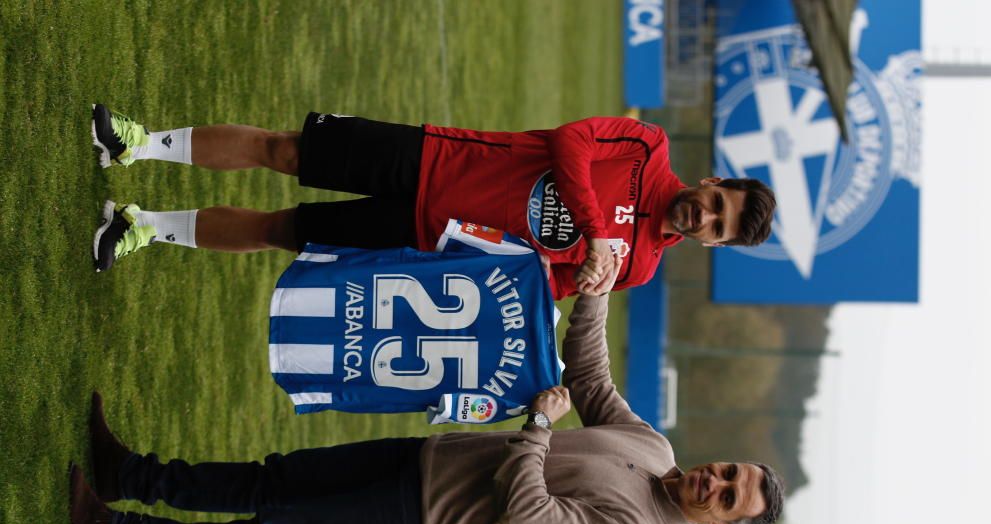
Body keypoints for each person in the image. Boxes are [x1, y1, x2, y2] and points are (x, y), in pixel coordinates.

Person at [69, 290, 785, 524]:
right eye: (728, 471)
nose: (714, 480)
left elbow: (525, 510)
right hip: (429, 458)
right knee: (272, 475)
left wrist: (537, 424)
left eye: (727, 497)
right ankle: (130, 476)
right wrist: (594, 298)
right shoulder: (655, 449)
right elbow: (594, 384)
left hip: (426, 519)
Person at [89, 104, 776, 298]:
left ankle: (144, 228)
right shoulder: (646, 148)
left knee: (282, 230)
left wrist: (578, 282)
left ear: (714, 243)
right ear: (715, 182)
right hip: (438, 158)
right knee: (286, 151)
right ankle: (138, 143)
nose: (706, 217)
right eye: (718, 203)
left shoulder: (640, 268)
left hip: (425, 238)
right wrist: (596, 230)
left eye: (718, 229)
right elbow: (569, 143)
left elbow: (536, 284)